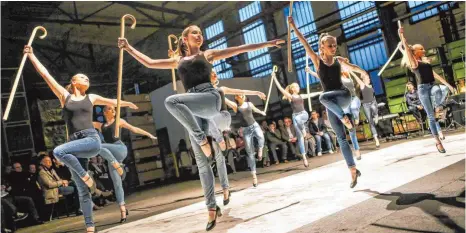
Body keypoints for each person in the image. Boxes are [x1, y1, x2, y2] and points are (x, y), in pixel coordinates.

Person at [120, 26, 283, 230]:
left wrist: (268, 43)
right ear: (185, 38)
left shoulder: (208, 54)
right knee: (202, 163)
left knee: (172, 101)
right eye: (195, 32)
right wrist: (128, 48)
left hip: (209, 98)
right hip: (192, 105)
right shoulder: (177, 61)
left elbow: (240, 48)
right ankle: (211, 208)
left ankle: (203, 140)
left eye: (200, 33)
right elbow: (150, 62)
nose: (200, 35)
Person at [23, 45, 138, 233]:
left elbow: (112, 101)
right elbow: (46, 75)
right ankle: (90, 227)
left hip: (91, 140)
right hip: (76, 145)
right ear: (74, 82)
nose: (87, 79)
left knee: (59, 151)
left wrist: (127, 103)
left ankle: (87, 176)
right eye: (82, 77)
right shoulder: (64, 96)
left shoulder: (91, 97)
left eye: (88, 78)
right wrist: (31, 56)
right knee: (83, 191)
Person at [289, 16, 362, 188]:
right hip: (332, 104)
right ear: (322, 47)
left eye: (335, 45)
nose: (333, 48)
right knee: (341, 139)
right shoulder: (316, 60)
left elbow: (353, 68)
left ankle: (345, 118)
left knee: (322, 97)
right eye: (330, 46)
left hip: (343, 96)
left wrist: (363, 74)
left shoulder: (338, 60)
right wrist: (293, 26)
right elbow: (304, 42)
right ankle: (352, 169)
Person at [93, 105, 157, 223]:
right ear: (104, 112)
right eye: (110, 109)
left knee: (98, 146)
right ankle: (123, 209)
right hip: (110, 155)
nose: (113, 110)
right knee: (117, 184)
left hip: (119, 149)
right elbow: (83, 123)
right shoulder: (100, 125)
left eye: (114, 109)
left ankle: (118, 167)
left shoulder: (119, 121)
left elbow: (134, 129)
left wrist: (149, 135)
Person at [398, 26, 455, 152]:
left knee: (440, 90)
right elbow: (407, 50)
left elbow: (435, 75)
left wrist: (449, 85)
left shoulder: (425, 62)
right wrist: (402, 36)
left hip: (432, 85)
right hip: (422, 89)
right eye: (421, 49)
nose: (424, 50)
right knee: (430, 117)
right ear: (416, 52)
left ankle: (438, 108)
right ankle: (437, 141)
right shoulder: (414, 63)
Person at [272, 76, 320, 167]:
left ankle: (303, 130)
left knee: (299, 120)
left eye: (298, 86)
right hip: (295, 117)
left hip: (303, 114)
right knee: (301, 139)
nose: (298, 88)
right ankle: (304, 158)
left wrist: (320, 92)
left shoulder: (301, 96)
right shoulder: (290, 97)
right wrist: (274, 78)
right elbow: (280, 88)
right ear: (293, 89)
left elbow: (311, 94)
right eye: (297, 86)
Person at [231, 94, 266, 187]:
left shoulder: (249, 104)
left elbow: (255, 109)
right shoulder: (236, 107)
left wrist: (261, 112)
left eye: (242, 94)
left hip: (254, 125)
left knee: (261, 137)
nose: (241, 95)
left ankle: (260, 149)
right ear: (236, 98)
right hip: (246, 130)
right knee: (249, 152)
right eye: (239, 95)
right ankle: (254, 175)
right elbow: (226, 101)